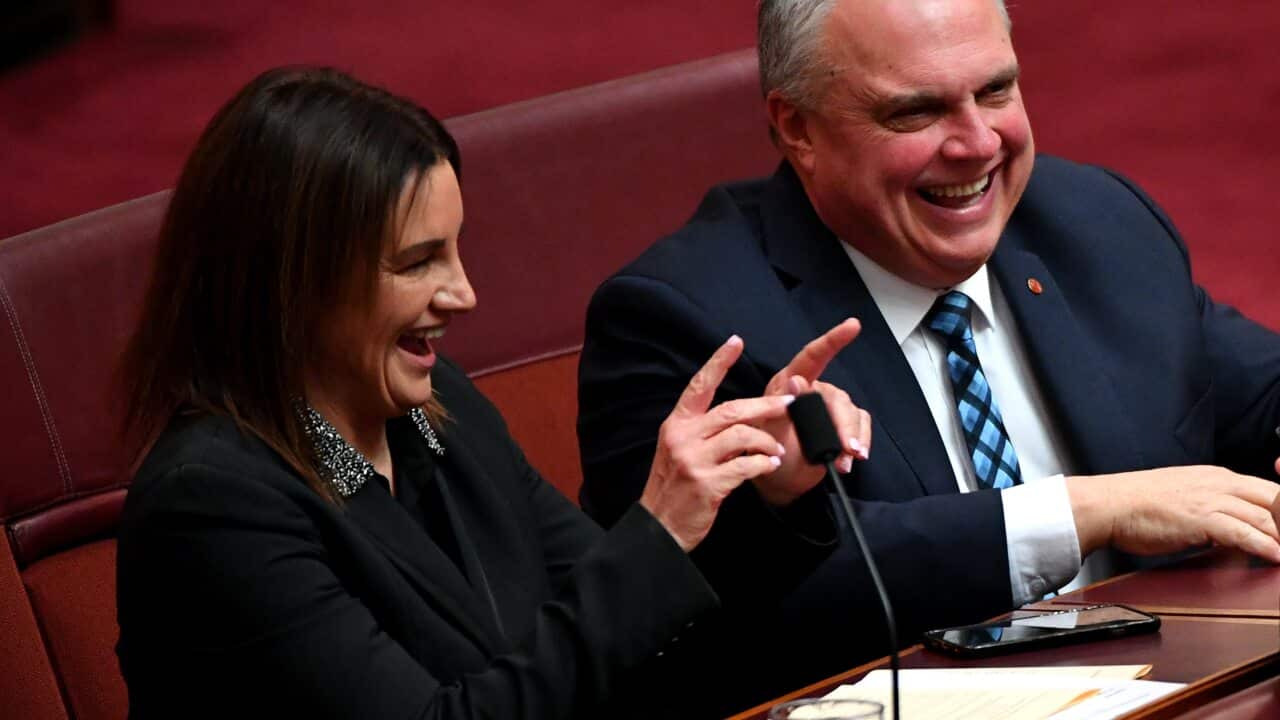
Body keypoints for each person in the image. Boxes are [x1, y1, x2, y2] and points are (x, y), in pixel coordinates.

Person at [114, 67, 873, 719]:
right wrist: (657, 530)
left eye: (456, 250)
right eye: (418, 263)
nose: (465, 294)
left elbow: (642, 637)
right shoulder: (212, 507)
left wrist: (767, 493)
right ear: (293, 287)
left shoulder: (437, 412)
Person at [577, 0, 1280, 697]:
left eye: (996, 90)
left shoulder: (1095, 223)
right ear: (798, 128)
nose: (978, 143)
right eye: (916, 112)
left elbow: (1257, 393)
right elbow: (742, 601)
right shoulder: (683, 319)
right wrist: (1078, 512)